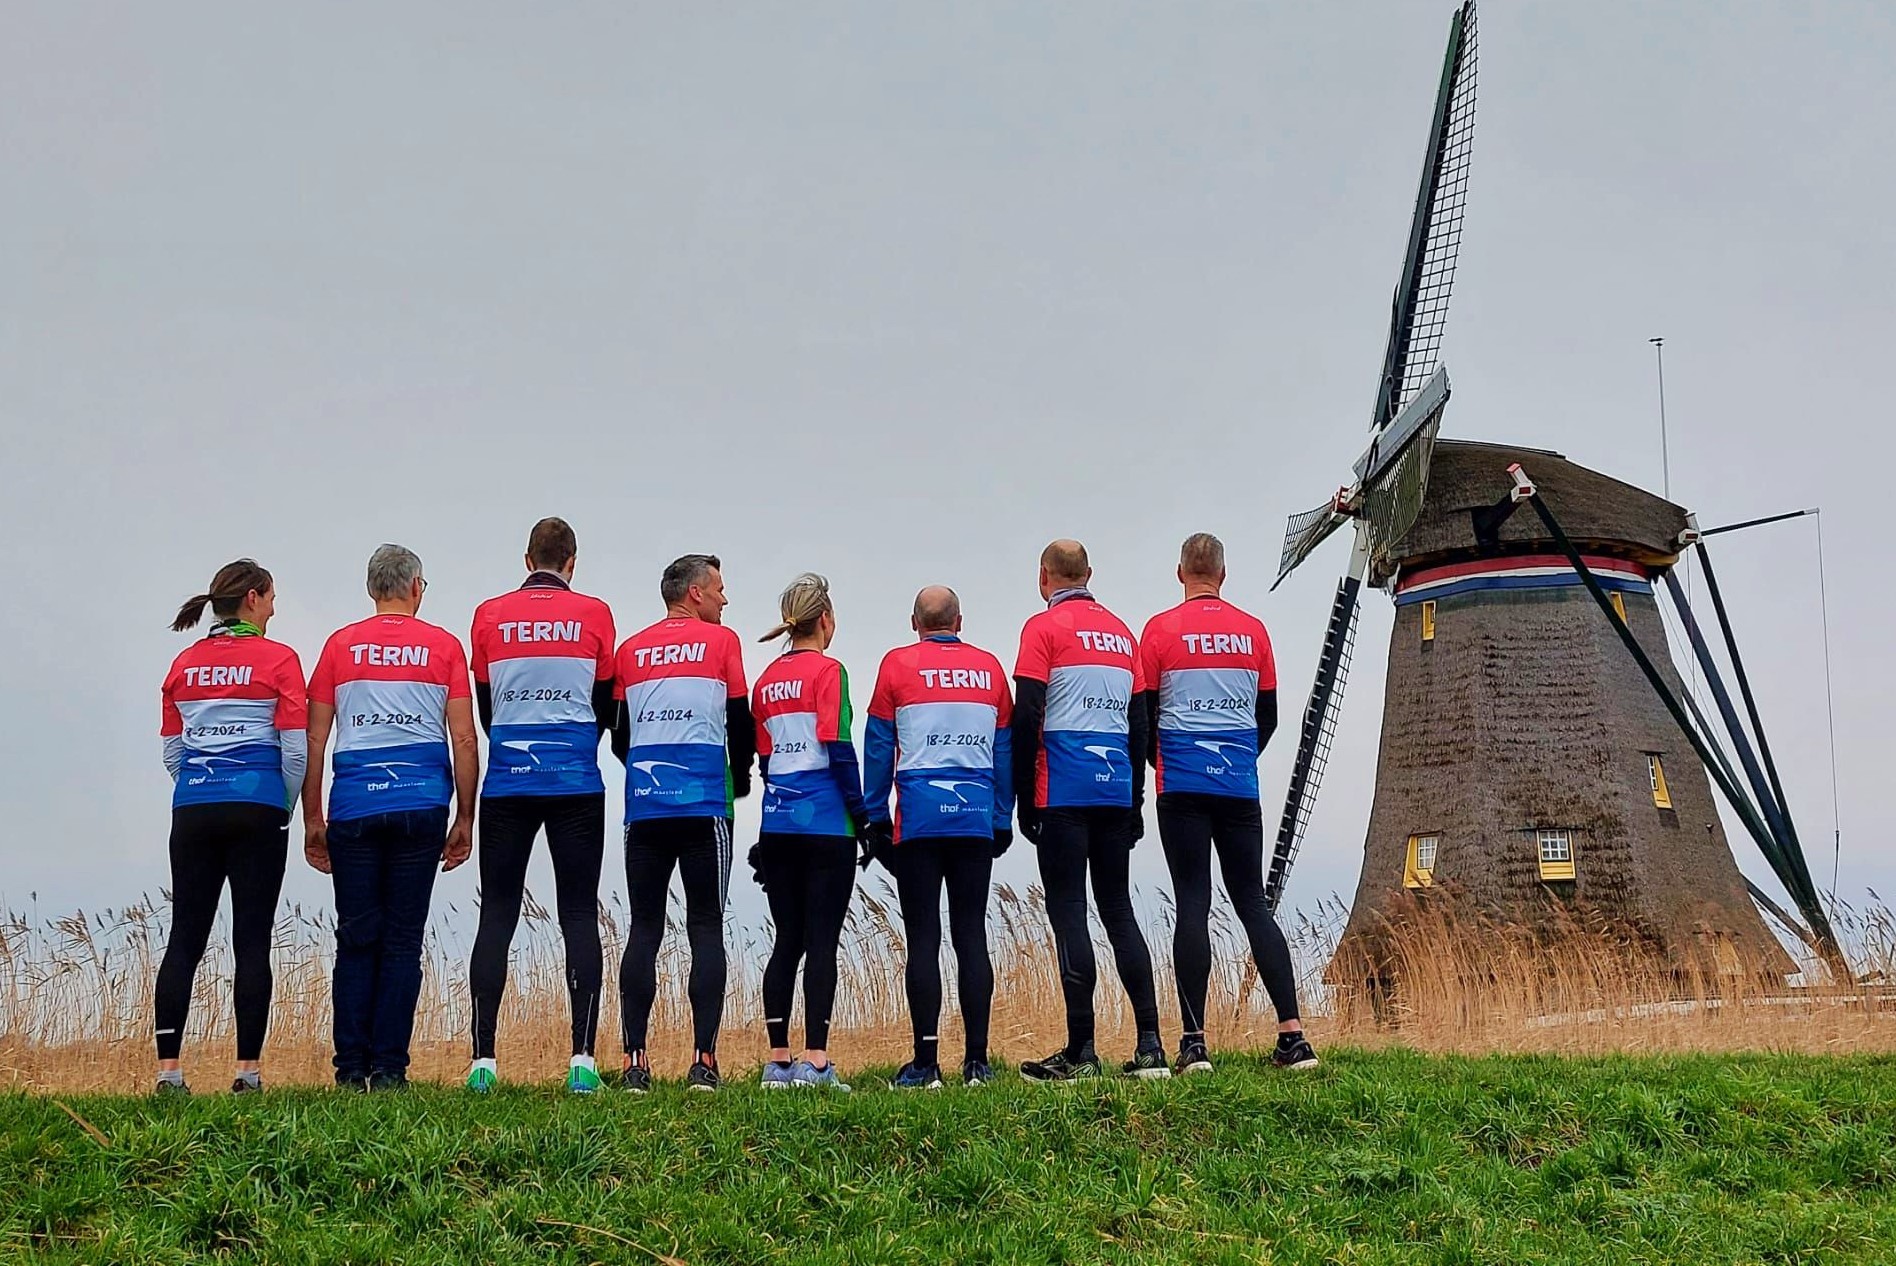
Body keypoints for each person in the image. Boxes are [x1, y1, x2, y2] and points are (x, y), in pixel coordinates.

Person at [1138, 533, 1318, 1073]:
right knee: (1252, 903)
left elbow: (1144, 714)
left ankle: (1194, 1043)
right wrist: (1240, 755)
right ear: (1223, 572)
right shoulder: (1253, 631)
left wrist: (1161, 759)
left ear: (1180, 573)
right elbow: (1270, 716)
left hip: (1182, 784)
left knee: (1192, 901)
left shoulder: (1158, 631)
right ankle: (1293, 1034)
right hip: (1239, 784)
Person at [302, 544, 477, 1091]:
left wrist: (313, 817)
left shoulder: (338, 646)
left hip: (354, 806)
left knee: (356, 940)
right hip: (421, 804)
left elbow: (314, 737)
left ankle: (350, 1069)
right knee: (403, 940)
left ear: (372, 588)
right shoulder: (444, 646)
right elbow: (465, 738)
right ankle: (390, 1070)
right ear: (416, 587)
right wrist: (465, 818)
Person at [464, 517, 618, 1095]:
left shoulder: (488, 614)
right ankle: (582, 1060)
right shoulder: (596, 614)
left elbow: (485, 707)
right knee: (578, 913)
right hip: (576, 779)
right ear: (571, 563)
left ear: (527, 560)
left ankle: (483, 1064)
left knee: (497, 914)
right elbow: (606, 702)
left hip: (507, 782)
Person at [1011, 539, 1166, 1081]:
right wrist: (1136, 798)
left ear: (1044, 577)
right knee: (1118, 909)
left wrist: (1023, 794)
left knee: (1070, 911)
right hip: (1113, 791)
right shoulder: (1124, 634)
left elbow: (1027, 714)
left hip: (1062, 791)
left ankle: (1083, 1051)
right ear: (1089, 574)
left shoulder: (1041, 630)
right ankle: (1151, 1046)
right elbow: (1141, 723)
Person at [153, 560, 306, 1096]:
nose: (274, 609)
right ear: (253, 599)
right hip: (258, 807)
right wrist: (280, 803)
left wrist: (198, 788)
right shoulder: (280, 658)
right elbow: (296, 749)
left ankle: (169, 1073)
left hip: (193, 806)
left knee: (184, 940)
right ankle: (247, 1072)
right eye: (271, 599)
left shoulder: (184, 662)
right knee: (252, 942)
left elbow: (172, 752)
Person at [612, 553, 754, 1092]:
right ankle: (704, 1062)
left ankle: (635, 1064)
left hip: (646, 803)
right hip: (704, 803)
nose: (725, 598)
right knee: (704, 927)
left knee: (644, 927)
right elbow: (738, 718)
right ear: (694, 593)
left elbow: (620, 733)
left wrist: (649, 771)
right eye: (719, 587)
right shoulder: (723, 642)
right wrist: (738, 780)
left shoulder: (630, 649)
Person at [863, 585, 1013, 1089]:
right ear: (960, 621)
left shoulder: (895, 666)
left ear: (914, 622)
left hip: (919, 823)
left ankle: (925, 1063)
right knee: (972, 935)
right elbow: (1005, 749)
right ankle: (977, 1062)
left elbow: (880, 745)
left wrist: (874, 816)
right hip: (974, 819)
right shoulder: (990, 669)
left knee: (923, 938)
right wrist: (1001, 816)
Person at [749, 573, 865, 1091]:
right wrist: (862, 817)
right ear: (826, 620)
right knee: (823, 942)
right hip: (826, 823)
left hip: (778, 824)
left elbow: (766, 760)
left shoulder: (766, 680)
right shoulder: (831, 671)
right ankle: (815, 1060)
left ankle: (777, 1061)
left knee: (786, 941)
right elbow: (838, 746)